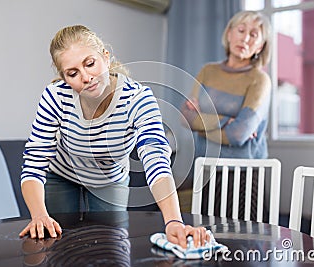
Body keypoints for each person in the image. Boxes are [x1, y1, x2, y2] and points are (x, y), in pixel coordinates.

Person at [18, 25, 208, 248]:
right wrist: (39, 215)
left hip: (110, 179)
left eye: (90, 64)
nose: (86, 77)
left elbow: (156, 159)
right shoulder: (55, 96)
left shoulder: (137, 98)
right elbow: (34, 163)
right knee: (58, 248)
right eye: (73, 73)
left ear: (105, 58)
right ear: (64, 78)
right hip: (61, 175)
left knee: (111, 246)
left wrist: (174, 221)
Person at [181, 11, 272, 219]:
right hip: (207, 169)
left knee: (244, 244)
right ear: (229, 34)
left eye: (254, 35)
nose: (245, 38)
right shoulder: (208, 71)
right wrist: (223, 121)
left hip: (245, 176)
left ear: (260, 46)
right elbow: (185, 117)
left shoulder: (260, 80)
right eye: (240, 30)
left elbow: (238, 135)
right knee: (207, 238)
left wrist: (202, 123)